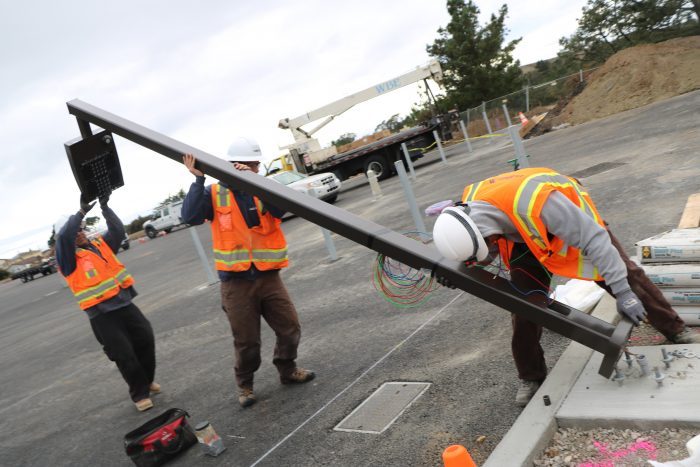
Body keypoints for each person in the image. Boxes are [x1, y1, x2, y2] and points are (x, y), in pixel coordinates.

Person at [432, 167, 700, 406]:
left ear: (486, 231)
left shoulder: (541, 204)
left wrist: (623, 293)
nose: (490, 253)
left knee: (627, 276)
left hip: (574, 225)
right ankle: (531, 376)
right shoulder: (470, 213)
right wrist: (457, 269)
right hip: (525, 236)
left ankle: (674, 328)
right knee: (524, 306)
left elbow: (595, 240)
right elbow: (475, 246)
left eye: (489, 245)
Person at [181, 136, 315, 408]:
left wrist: (261, 183)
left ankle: (287, 370)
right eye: (250, 165)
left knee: (290, 328)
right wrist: (197, 180)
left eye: (256, 165)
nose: (254, 170)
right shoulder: (213, 193)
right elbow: (191, 216)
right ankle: (245, 385)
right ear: (234, 164)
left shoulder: (260, 188)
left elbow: (283, 205)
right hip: (236, 283)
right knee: (247, 341)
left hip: (269, 277)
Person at [55, 194, 159, 412]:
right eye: (76, 231)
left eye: (81, 229)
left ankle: (147, 381)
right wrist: (81, 212)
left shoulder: (99, 245)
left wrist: (105, 207)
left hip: (124, 304)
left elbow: (118, 231)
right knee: (124, 354)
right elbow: (64, 237)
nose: (80, 233)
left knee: (146, 339)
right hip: (102, 315)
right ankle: (139, 394)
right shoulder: (67, 258)